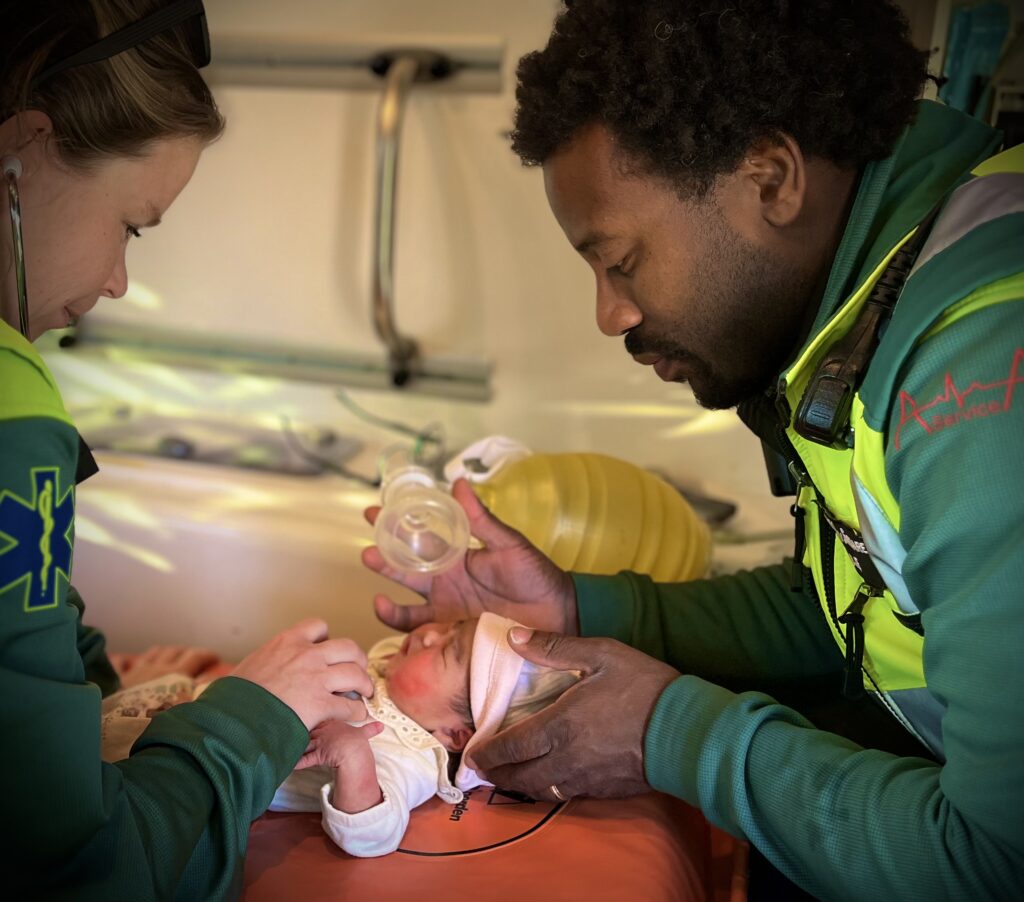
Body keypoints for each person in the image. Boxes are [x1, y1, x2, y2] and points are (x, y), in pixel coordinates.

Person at [362, 1, 1024, 899]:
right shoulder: (871, 305)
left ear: (770, 179)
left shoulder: (980, 379)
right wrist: (578, 608)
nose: (611, 315)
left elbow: (998, 861)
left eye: (621, 261)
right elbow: (861, 605)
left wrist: (665, 734)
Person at [0, 3, 372, 898]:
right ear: (24, 152)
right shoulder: (15, 408)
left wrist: (119, 709)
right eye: (132, 225)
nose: (118, 281)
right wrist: (250, 720)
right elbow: (89, 875)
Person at [270, 613, 578, 857]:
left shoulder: (411, 756)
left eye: (445, 652)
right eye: (450, 628)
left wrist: (353, 757)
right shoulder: (392, 672)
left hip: (250, 770)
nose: (429, 635)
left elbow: (374, 835)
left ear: (454, 734)